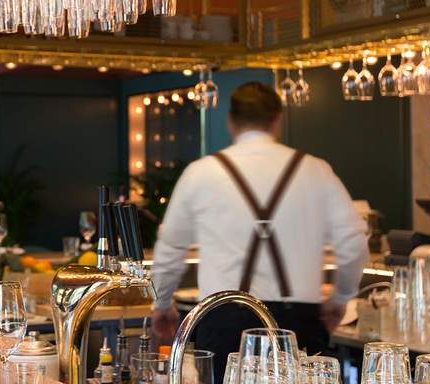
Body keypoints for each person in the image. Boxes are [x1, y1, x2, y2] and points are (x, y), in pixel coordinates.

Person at [150, 82, 368, 381]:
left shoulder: (201, 172)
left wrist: (162, 304)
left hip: (223, 316)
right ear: (278, 119)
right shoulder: (316, 170)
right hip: (298, 320)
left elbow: (171, 247)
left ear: (230, 121)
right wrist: (341, 297)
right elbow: (354, 241)